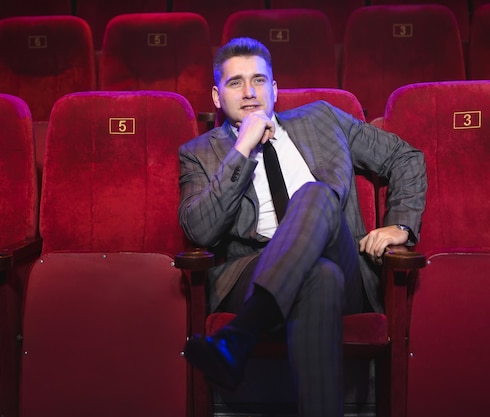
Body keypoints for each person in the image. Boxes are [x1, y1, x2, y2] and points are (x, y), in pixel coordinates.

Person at [178, 37, 426, 417]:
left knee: (316, 195)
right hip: (251, 272)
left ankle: (240, 335)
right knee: (319, 277)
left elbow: (404, 157)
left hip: (342, 262)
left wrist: (401, 226)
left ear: (275, 89)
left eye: (259, 81)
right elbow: (200, 229)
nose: (249, 93)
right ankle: (250, 328)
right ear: (216, 96)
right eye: (235, 83)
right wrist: (241, 148)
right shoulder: (199, 152)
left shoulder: (323, 119)